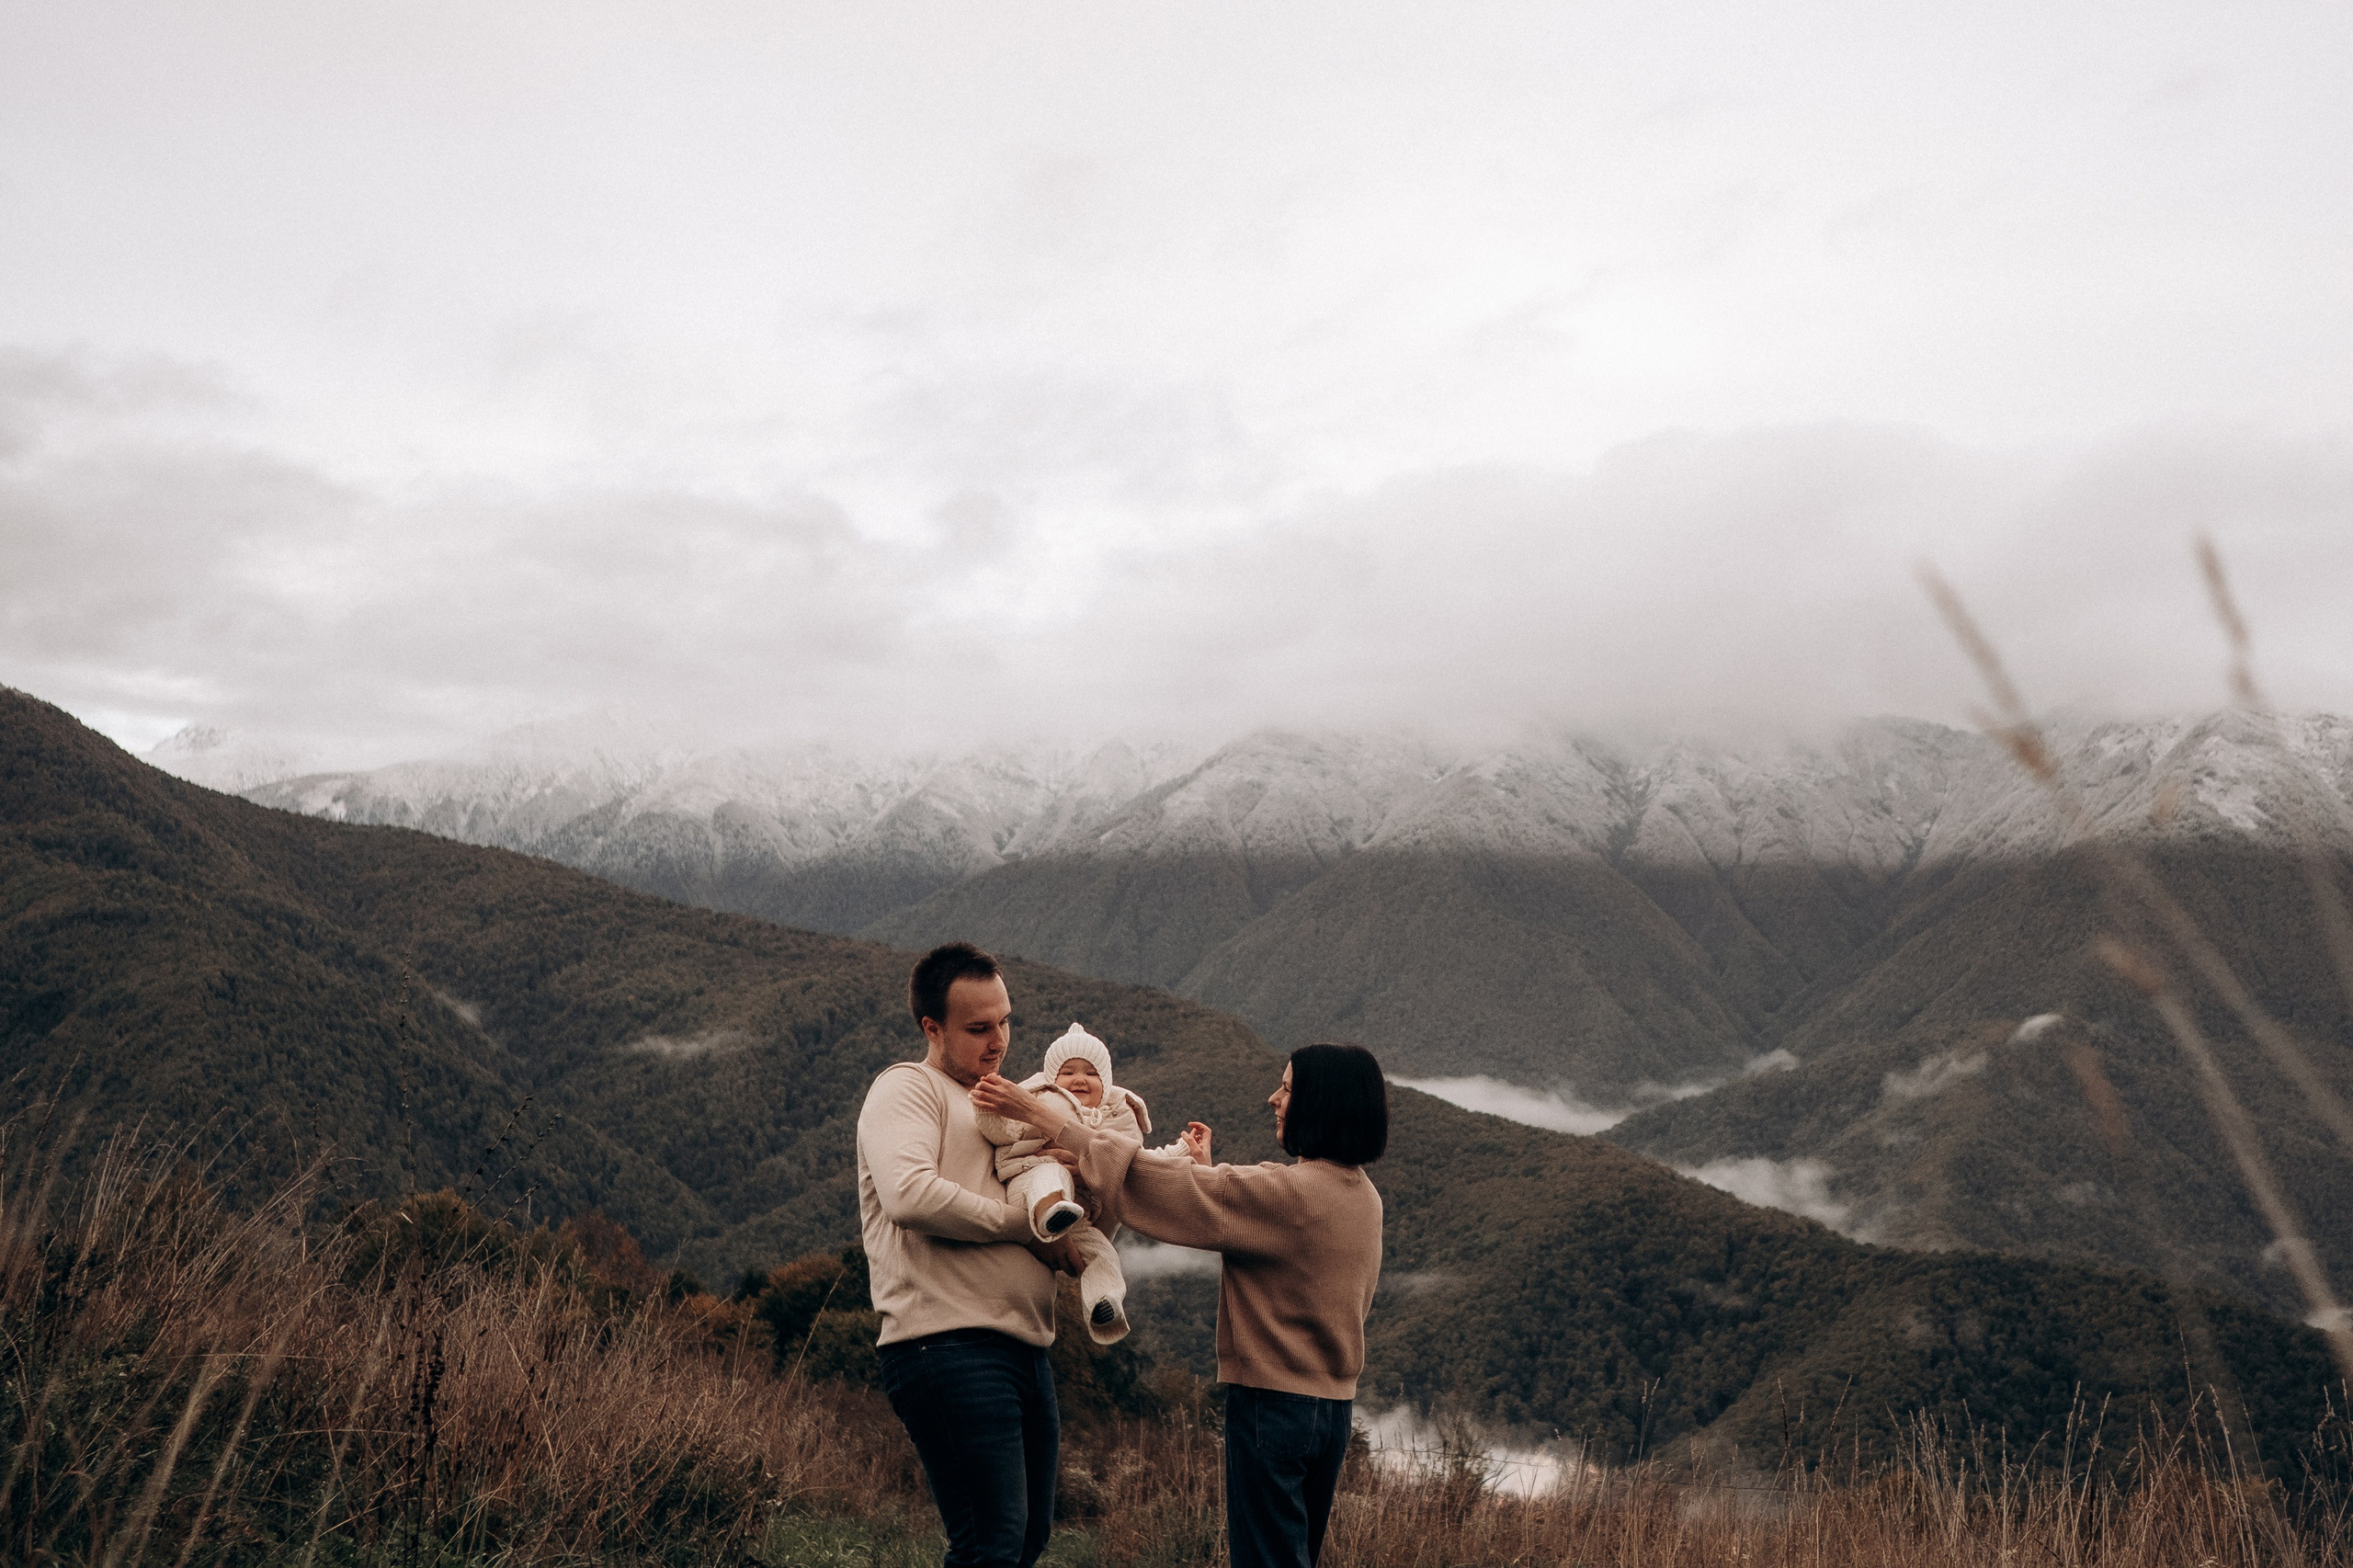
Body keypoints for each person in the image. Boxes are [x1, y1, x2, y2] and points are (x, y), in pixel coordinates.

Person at [972, 1040, 1387, 1568]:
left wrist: (1041, 1114)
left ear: (1322, 1103)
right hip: (1331, 1413)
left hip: (1274, 1404)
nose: (1273, 1098)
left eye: (1287, 1087)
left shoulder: (1288, 1193)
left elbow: (1153, 1185)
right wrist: (1205, 1178)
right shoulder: (1362, 1196)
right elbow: (1253, 1226)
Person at [856, 941, 1082, 1568]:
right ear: (933, 1027)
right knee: (991, 1543)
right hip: (945, 1343)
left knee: (1027, 1539)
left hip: (1027, 1348)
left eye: (1005, 1021)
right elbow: (911, 1196)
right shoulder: (908, 1087)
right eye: (978, 1028)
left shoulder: (1005, 1106)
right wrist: (1021, 1228)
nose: (998, 1041)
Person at [972, 1020, 1207, 1344]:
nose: (1079, 1079)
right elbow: (1003, 1131)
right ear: (1052, 1079)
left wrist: (1182, 1151)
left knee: (1103, 1254)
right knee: (1051, 1173)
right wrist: (987, 1108)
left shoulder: (1116, 1120)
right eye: (1068, 1072)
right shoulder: (1039, 1102)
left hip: (1082, 1214)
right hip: (1031, 1180)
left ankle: (1103, 1302)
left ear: (1106, 1083)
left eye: (1091, 1073)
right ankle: (1050, 1209)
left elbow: (1137, 1162)